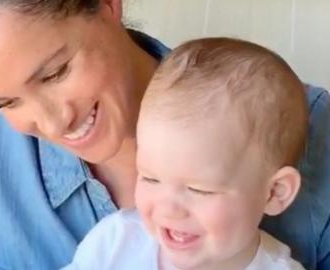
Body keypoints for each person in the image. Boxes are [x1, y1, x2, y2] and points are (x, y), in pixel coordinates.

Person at [0, 0, 328, 269]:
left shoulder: (310, 127)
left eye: (56, 73)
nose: (53, 123)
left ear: (107, 6)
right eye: (7, 102)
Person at [62, 37, 307, 270]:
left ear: (275, 193)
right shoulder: (115, 243)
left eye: (199, 190)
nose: (168, 210)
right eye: (150, 178)